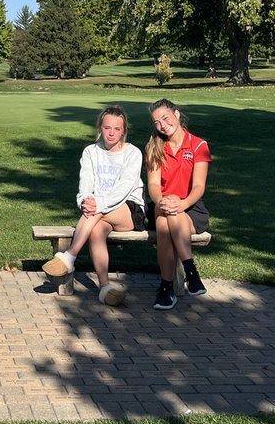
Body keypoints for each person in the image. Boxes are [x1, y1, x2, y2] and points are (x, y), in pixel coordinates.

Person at [42, 105, 145, 306]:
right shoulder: (90, 151)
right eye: (107, 128)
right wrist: (85, 201)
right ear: (100, 127)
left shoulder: (133, 153)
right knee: (96, 230)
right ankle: (104, 287)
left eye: (117, 128)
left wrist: (97, 203)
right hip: (99, 211)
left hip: (129, 209)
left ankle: (70, 257)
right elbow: (86, 181)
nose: (112, 133)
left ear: (124, 130)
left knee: (95, 213)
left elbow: (124, 188)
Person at [145, 98, 211, 310]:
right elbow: (154, 185)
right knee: (166, 215)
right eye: (157, 122)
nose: (162, 125)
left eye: (165, 118)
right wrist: (162, 201)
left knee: (165, 224)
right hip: (161, 205)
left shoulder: (199, 145)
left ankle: (166, 288)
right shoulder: (154, 147)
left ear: (177, 114)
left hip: (191, 208)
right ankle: (191, 272)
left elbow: (199, 187)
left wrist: (181, 204)